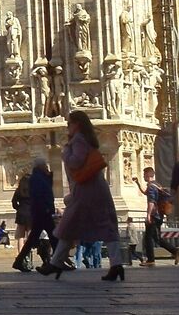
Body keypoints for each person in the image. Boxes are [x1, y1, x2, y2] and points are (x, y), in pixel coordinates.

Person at [40, 110, 124, 281]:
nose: (67, 127)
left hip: (87, 189)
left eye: (69, 124)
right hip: (94, 187)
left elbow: (76, 162)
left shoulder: (78, 140)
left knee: (70, 225)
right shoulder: (87, 139)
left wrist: (65, 153)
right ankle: (116, 265)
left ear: (77, 124)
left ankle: (56, 264)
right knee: (101, 225)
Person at [11, 155, 54, 272]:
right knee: (32, 236)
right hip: (33, 213)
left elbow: (14, 202)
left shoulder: (20, 188)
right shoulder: (37, 182)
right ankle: (52, 261)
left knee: (21, 237)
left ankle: (21, 258)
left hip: (22, 213)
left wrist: (19, 208)